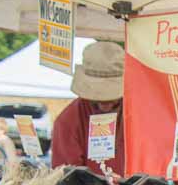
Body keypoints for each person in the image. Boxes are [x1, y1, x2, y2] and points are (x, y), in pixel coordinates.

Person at [50, 41, 125, 177]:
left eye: (111, 98)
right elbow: (66, 175)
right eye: (98, 98)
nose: (105, 103)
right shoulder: (67, 121)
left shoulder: (139, 115)